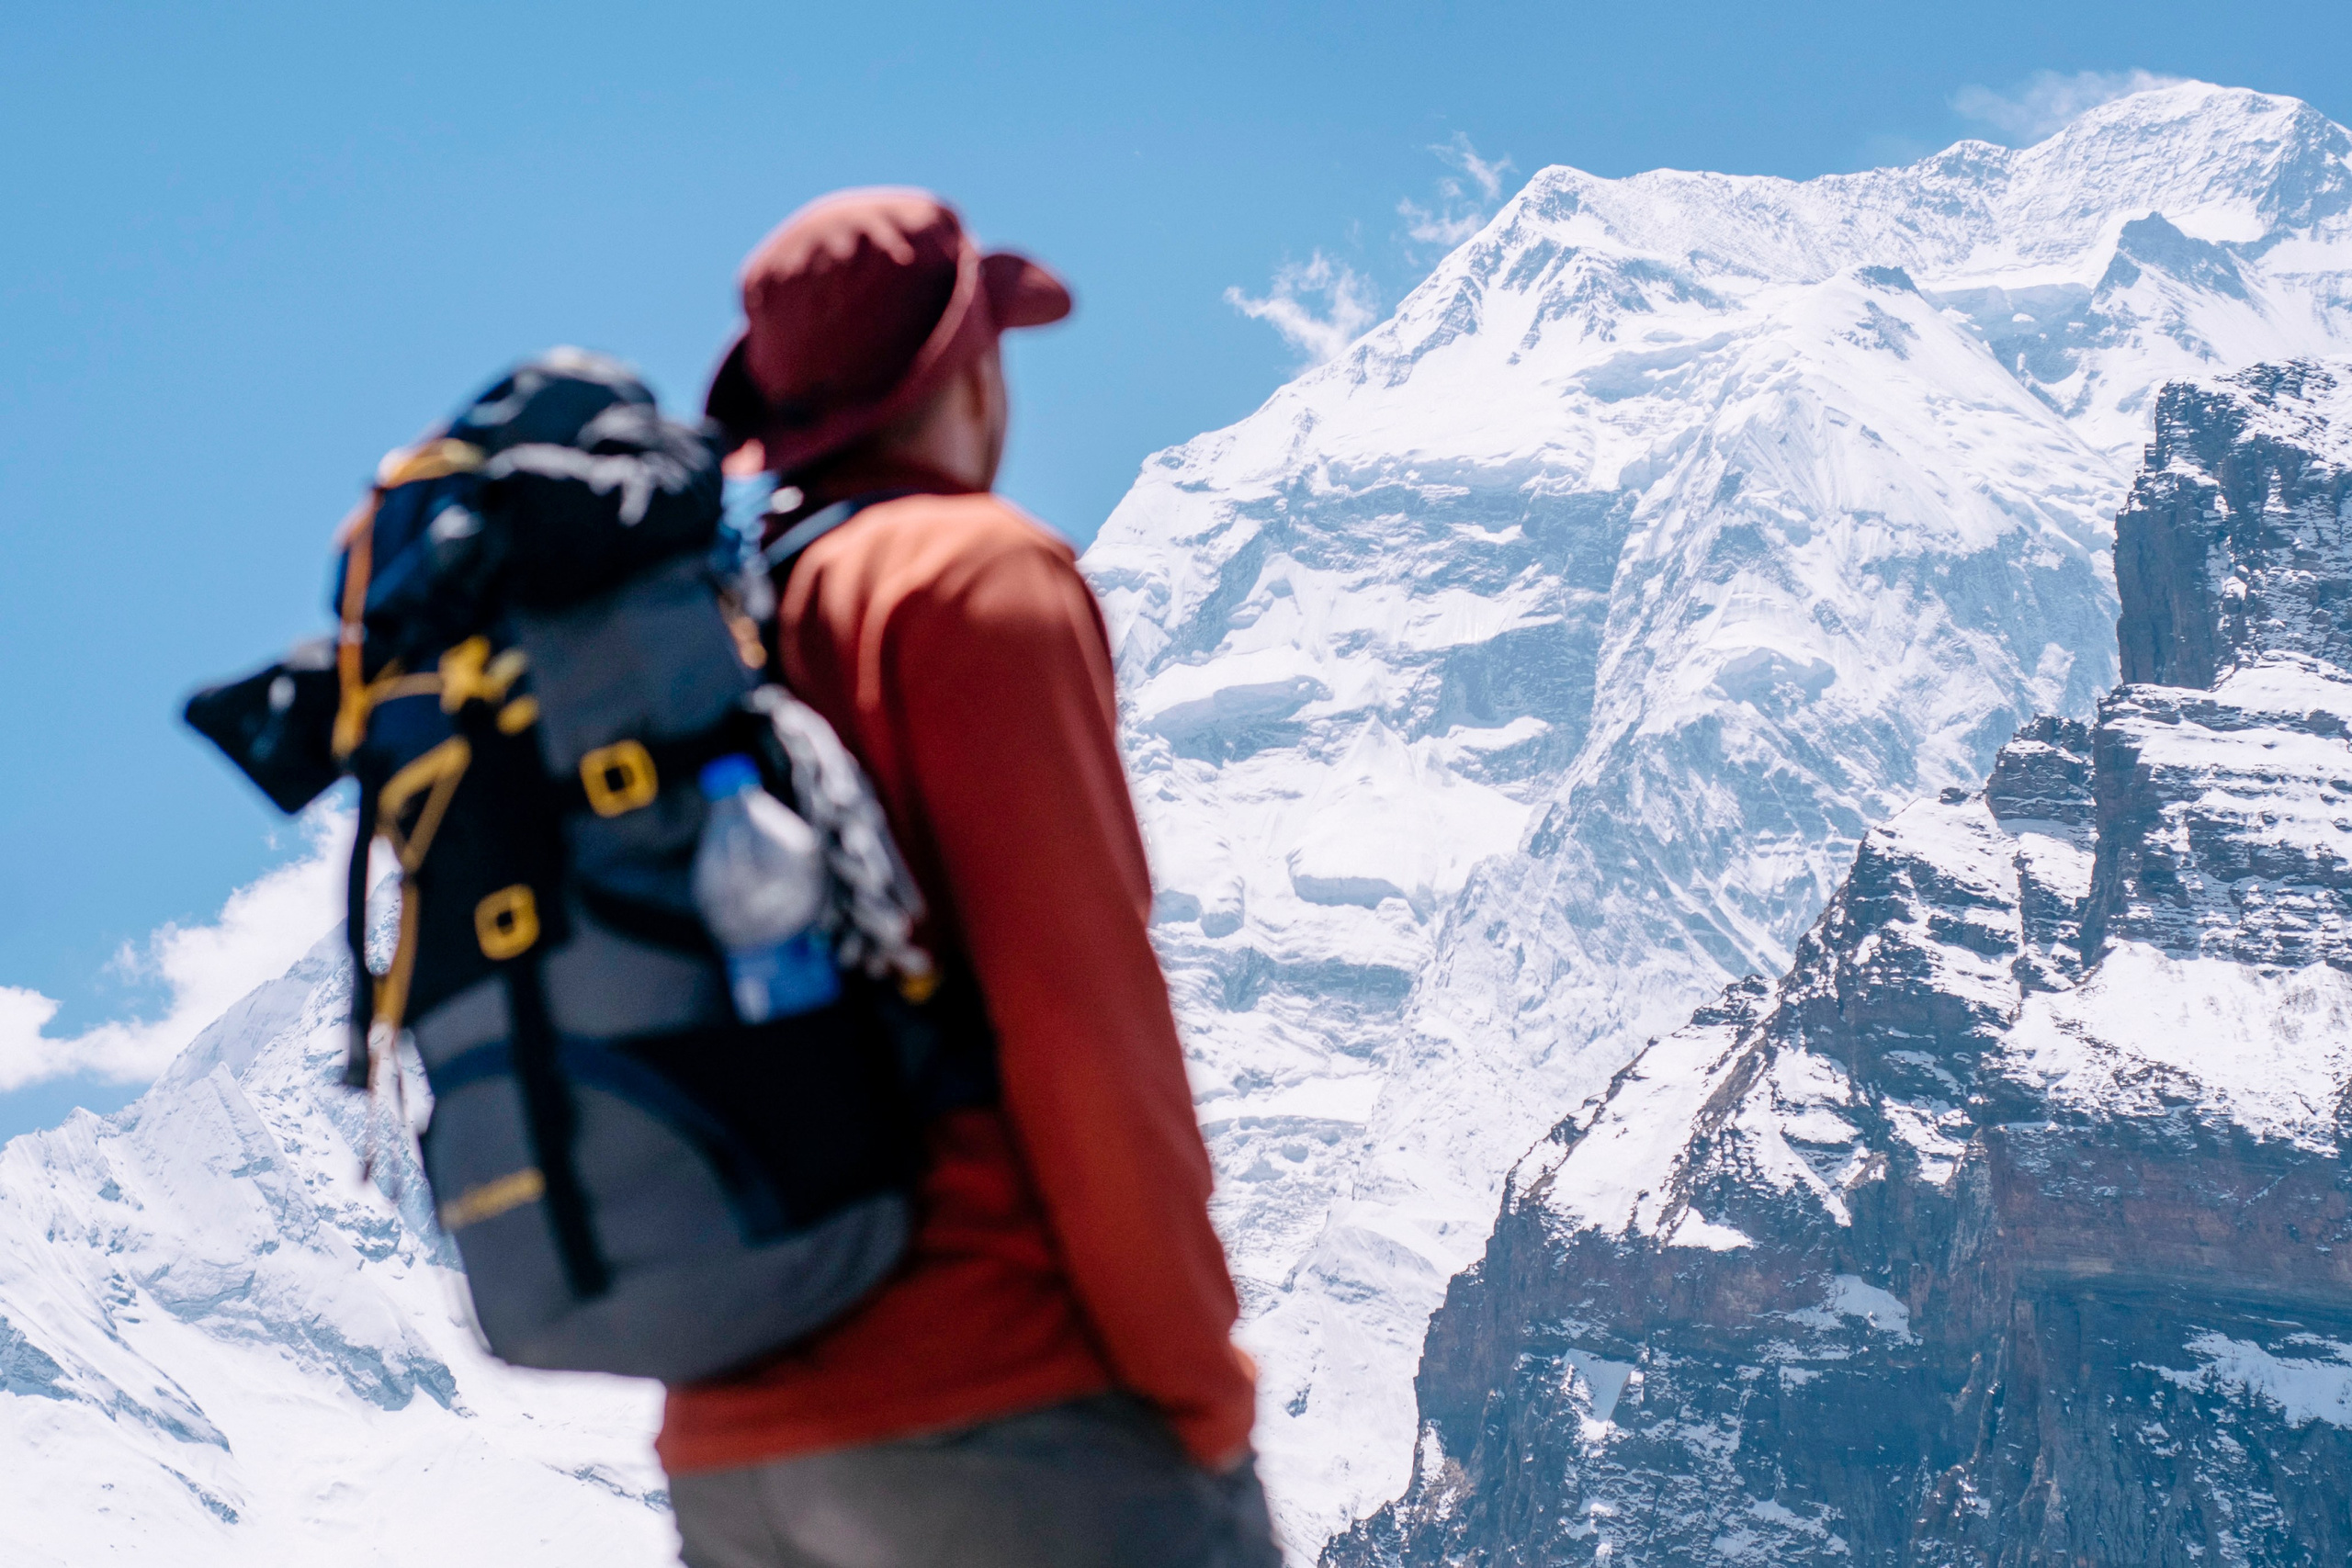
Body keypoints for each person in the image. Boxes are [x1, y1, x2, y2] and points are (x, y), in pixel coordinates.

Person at [659, 187, 1281, 1568]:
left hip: (736, 1455)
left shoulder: (704, 629)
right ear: (969, 369)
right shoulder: (970, 576)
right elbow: (1079, 1017)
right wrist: (1198, 1380)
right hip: (1008, 1417)